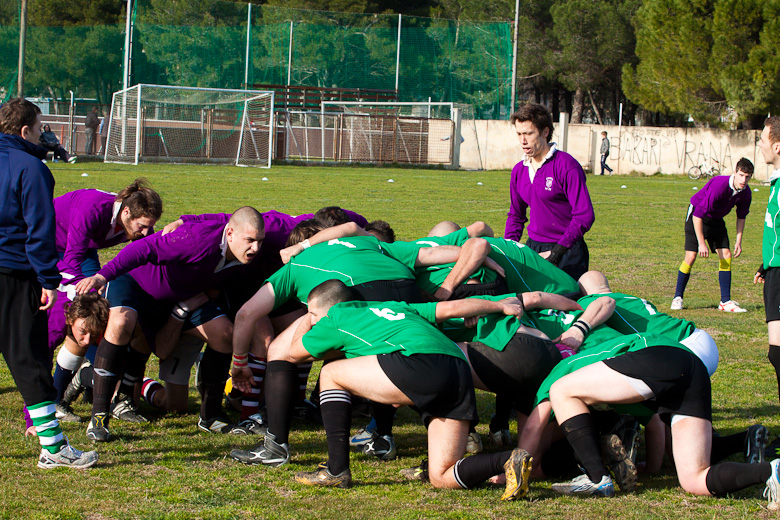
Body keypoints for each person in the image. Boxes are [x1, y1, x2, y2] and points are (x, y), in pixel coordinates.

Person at [278, 279, 534, 499]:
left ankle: (336, 470)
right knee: (441, 476)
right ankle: (507, 459)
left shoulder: (335, 317)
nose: (313, 319)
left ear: (326, 309)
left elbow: (294, 353)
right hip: (457, 367)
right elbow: (450, 308)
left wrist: (307, 319)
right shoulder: (395, 306)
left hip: (419, 362)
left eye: (313, 313)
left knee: (330, 374)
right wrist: (498, 305)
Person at [524, 332, 780, 507]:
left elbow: (534, 426)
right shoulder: (614, 385)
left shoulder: (565, 367)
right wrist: (652, 468)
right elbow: (655, 423)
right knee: (694, 480)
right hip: (692, 368)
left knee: (560, 390)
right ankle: (770, 472)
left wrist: (518, 468)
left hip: (662, 355)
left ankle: (596, 478)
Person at [75, 207, 266, 441]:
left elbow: (225, 218)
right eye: (250, 240)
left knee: (225, 334)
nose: (256, 248)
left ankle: (211, 416)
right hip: (136, 283)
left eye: (260, 241)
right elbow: (143, 248)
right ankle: (99, 418)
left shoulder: (246, 251)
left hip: (180, 296)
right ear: (230, 234)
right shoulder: (195, 240)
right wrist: (102, 276)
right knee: (120, 323)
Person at [0, 98, 98, 468]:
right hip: (13, 273)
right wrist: (48, 279)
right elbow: (39, 230)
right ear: (25, 130)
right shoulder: (31, 168)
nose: (44, 135)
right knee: (29, 358)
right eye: (41, 127)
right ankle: (54, 448)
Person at [505, 103, 595, 281]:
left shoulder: (566, 166)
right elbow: (516, 216)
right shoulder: (519, 171)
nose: (523, 140)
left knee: (566, 299)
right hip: (534, 249)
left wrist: (558, 251)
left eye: (529, 133)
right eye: (519, 134)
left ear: (545, 132)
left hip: (568, 250)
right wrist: (509, 249)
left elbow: (584, 215)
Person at [672, 158, 753, 312]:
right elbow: (698, 215)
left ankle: (725, 301)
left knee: (726, 254)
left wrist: (739, 241)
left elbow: (741, 217)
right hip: (697, 215)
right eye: (741, 175)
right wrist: (701, 243)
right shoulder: (719, 185)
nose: (744, 180)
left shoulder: (746, 193)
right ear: (735, 172)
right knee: (691, 256)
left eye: (747, 177)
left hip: (716, 219)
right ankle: (677, 297)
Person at [755, 116, 780, 408]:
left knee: (778, 353)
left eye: (762, 140)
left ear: (777, 145)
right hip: (774, 270)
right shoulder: (776, 182)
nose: (759, 145)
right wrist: (767, 263)